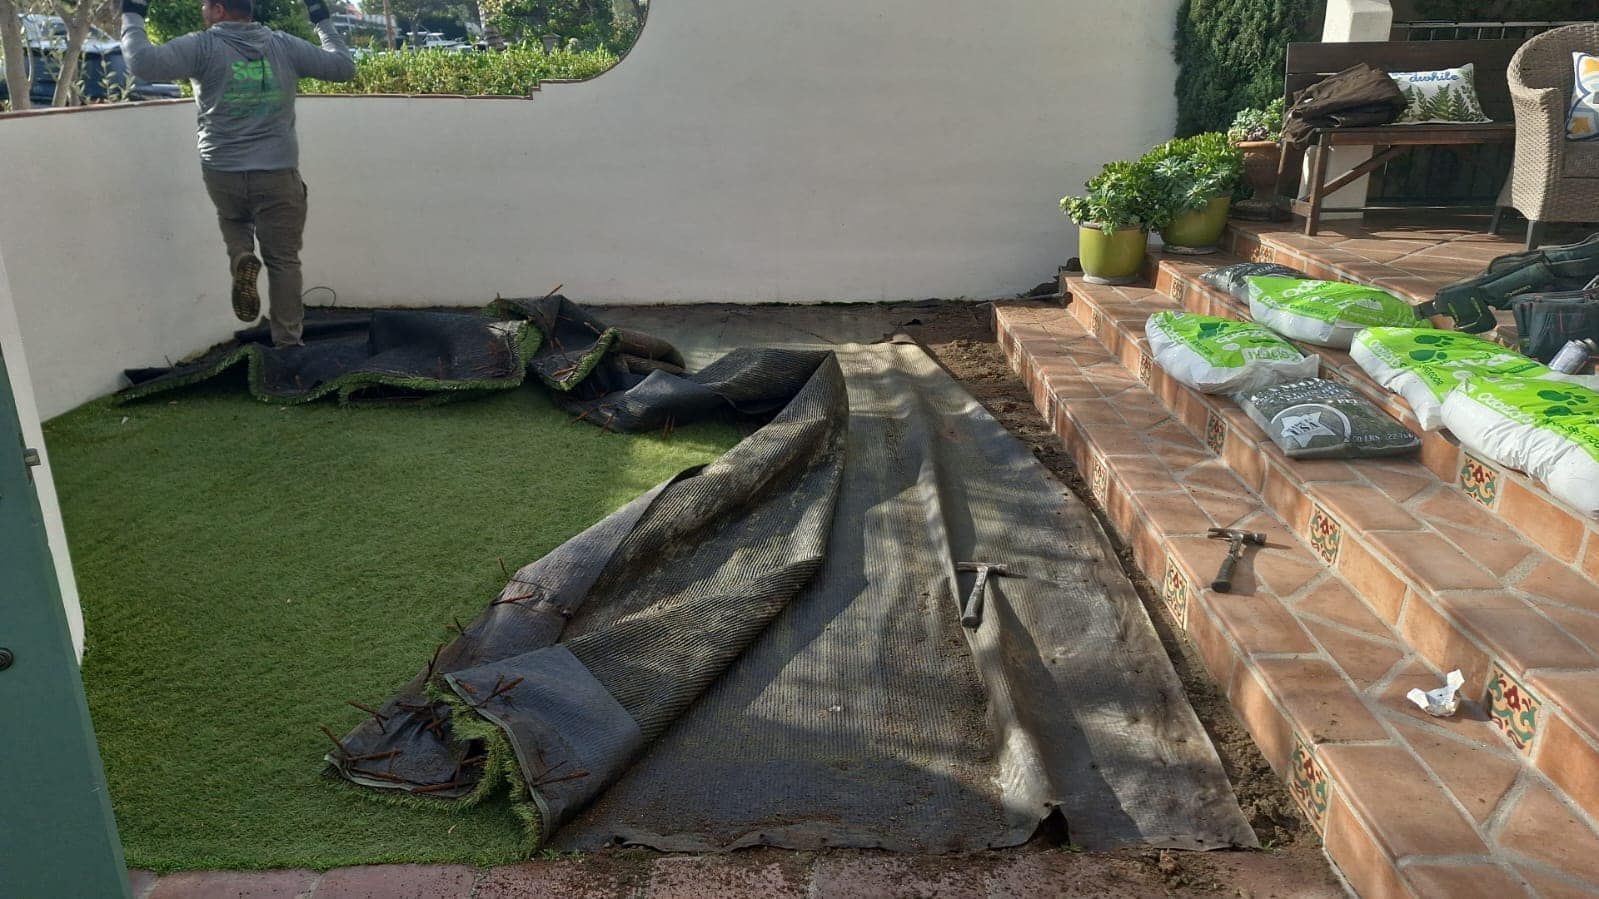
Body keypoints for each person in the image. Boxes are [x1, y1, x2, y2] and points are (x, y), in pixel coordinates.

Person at [120, 0, 356, 347]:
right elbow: (343, 67)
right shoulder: (284, 45)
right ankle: (288, 344)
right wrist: (320, 18)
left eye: (205, 5)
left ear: (219, 10)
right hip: (277, 172)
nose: (202, 10)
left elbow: (141, 62)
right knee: (283, 262)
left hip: (222, 170)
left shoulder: (201, 46)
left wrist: (133, 11)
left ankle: (241, 255)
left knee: (233, 218)